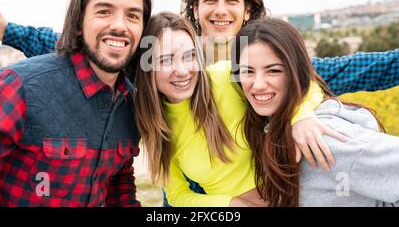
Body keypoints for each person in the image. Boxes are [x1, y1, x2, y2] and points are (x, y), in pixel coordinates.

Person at [0, 0, 399, 195]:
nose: (220, 9)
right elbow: (92, 46)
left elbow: (339, 73)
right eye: (209, 0)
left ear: (248, 10)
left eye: (232, 0)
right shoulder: (154, 62)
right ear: (195, 10)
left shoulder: (268, 66)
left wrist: (300, 111)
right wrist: (12, 33)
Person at [0, 0, 152, 206]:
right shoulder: (14, 89)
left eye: (133, 16)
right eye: (104, 12)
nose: (120, 25)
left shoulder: (130, 103)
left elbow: (118, 181)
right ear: (78, 23)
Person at [134, 12, 326, 206]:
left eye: (190, 56)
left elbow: (302, 84)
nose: (183, 71)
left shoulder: (225, 77)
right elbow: (177, 195)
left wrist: (300, 115)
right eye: (166, 60)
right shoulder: (157, 127)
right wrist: (229, 204)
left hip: (295, 197)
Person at [232, 18, 399, 206]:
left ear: (297, 72)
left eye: (273, 71)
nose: (258, 84)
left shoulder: (327, 140)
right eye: (248, 71)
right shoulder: (270, 128)